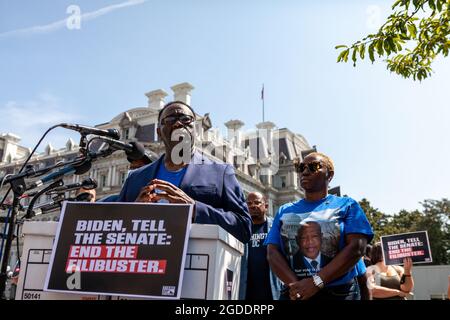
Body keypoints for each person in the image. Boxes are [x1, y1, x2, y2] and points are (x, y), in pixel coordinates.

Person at [116, 101, 252, 243]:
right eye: (170, 120)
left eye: (186, 119)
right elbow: (111, 228)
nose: (178, 124)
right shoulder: (135, 178)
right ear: (159, 132)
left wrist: (194, 208)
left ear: (196, 129)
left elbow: (243, 228)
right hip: (146, 262)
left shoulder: (221, 172)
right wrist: (132, 213)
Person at [265, 152, 373, 300]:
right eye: (301, 167)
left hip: (338, 294)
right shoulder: (284, 210)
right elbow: (272, 253)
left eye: (313, 166)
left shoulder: (347, 205)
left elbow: (357, 247)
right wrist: (298, 286)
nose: (305, 171)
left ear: (330, 175)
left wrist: (316, 283)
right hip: (296, 294)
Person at [239, 192, 282, 300]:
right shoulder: (240, 228)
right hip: (246, 290)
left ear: (266, 206)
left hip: (272, 289)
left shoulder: (277, 227)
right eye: (248, 203)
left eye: (257, 202)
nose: (253, 206)